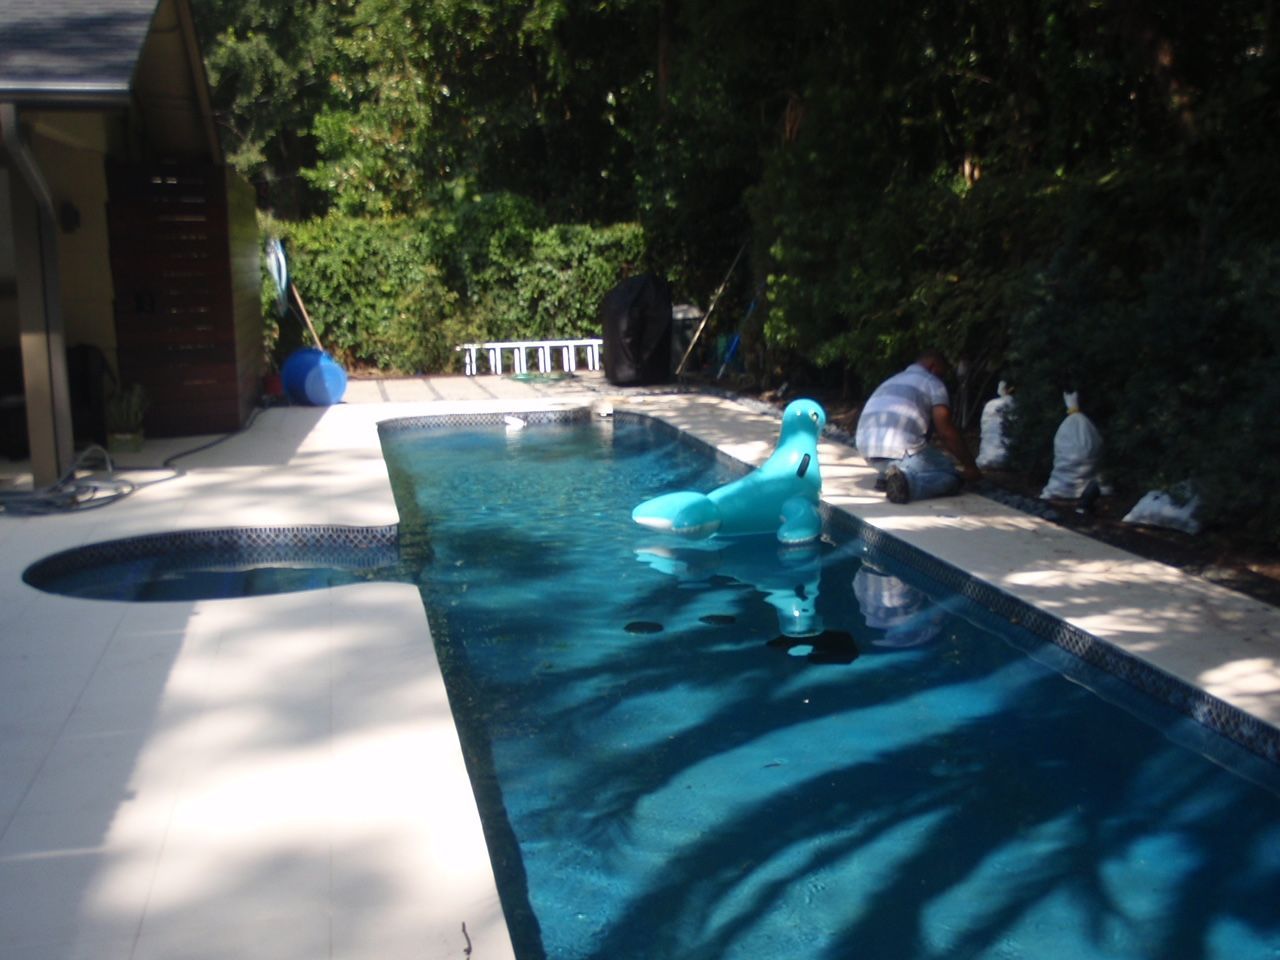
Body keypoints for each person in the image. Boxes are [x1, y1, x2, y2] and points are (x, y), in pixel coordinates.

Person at [855, 349, 982, 503]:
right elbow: (946, 432)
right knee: (951, 476)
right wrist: (971, 466)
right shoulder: (932, 382)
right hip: (899, 451)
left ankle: (887, 475)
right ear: (933, 366)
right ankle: (908, 483)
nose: (942, 378)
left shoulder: (892, 381)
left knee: (919, 452)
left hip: (868, 452)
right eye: (942, 373)